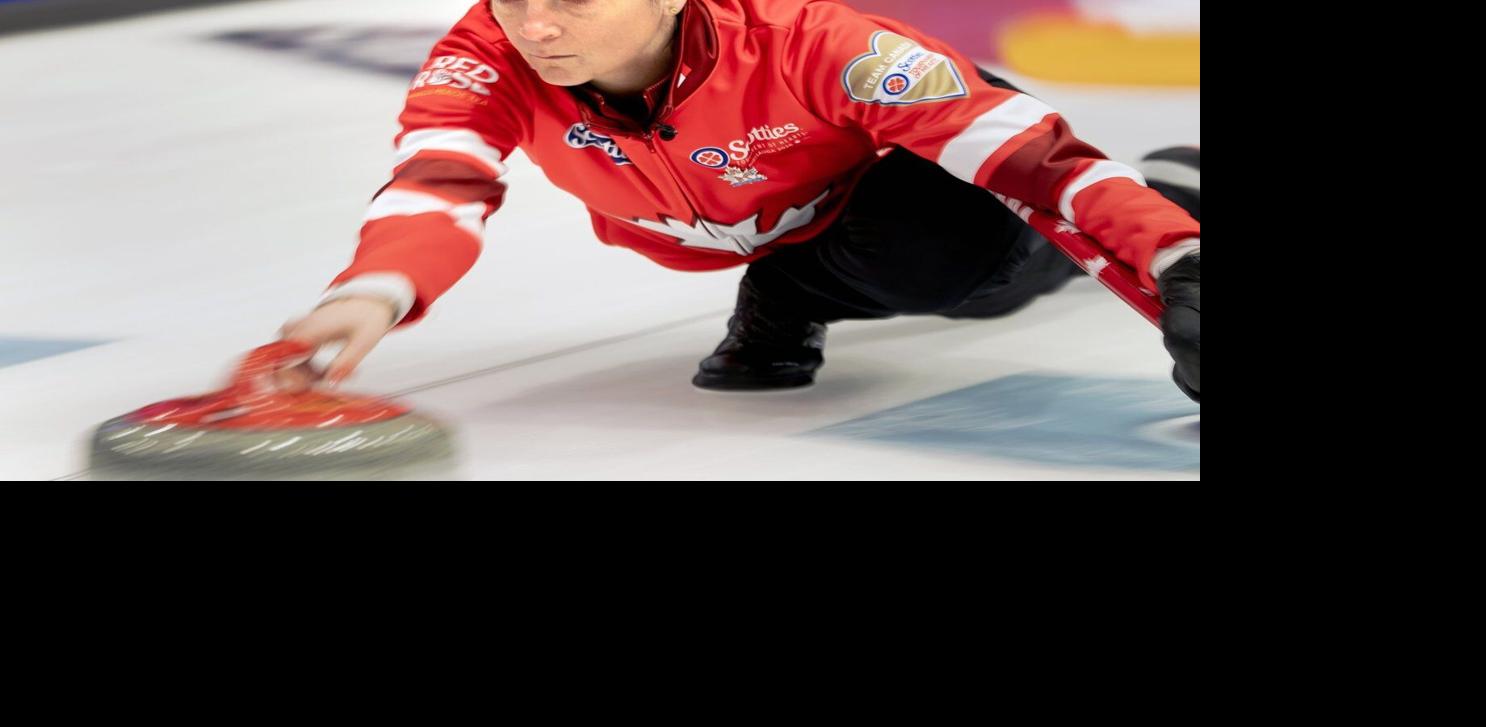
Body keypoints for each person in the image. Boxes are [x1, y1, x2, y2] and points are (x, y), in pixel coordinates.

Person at [278, 0, 1201, 403]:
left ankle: (1170, 185)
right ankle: (791, 290)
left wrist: (1175, 264)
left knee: (979, 268)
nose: (536, 27)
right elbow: (439, 180)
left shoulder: (817, 41)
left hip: (913, 192)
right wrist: (374, 292)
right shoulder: (489, 57)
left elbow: (1029, 161)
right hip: (791, 231)